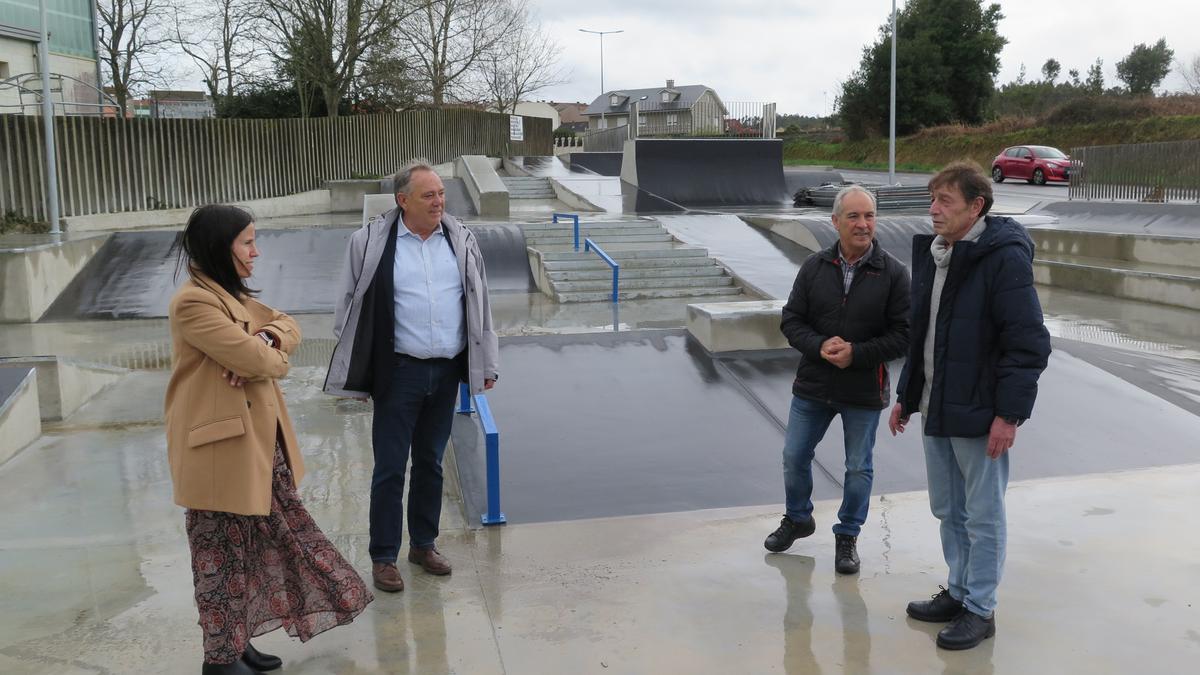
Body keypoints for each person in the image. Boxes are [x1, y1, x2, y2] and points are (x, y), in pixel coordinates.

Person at [165, 205, 372, 675]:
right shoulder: (194, 302)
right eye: (247, 243)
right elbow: (260, 363)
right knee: (218, 555)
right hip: (219, 452)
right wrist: (264, 353)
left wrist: (269, 341)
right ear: (222, 247)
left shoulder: (228, 295)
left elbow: (288, 327)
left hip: (256, 448)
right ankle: (218, 660)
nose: (256, 252)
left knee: (247, 551)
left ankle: (236, 645)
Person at [889, 161, 1051, 650]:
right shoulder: (939, 253)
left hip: (981, 413)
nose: (933, 211)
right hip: (938, 406)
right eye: (932, 200)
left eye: (945, 202)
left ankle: (981, 609)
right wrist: (907, 396)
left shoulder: (1002, 258)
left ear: (976, 206)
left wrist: (1009, 415)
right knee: (948, 509)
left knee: (982, 514)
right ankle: (959, 592)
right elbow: (925, 336)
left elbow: (1028, 343)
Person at [324, 159, 499, 594]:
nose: (439, 201)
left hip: (446, 371)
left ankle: (424, 544)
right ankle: (383, 556)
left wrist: (486, 362)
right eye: (429, 195)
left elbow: (481, 304)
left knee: (431, 464)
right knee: (389, 468)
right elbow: (347, 305)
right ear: (403, 201)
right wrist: (357, 370)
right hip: (397, 372)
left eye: (441, 194)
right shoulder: (369, 242)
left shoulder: (460, 239)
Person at [765, 185, 911, 574]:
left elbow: (904, 335)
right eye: (854, 216)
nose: (863, 224)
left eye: (869, 216)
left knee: (858, 468)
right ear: (835, 221)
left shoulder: (894, 274)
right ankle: (798, 518)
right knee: (794, 456)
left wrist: (857, 354)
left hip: (862, 389)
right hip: (813, 384)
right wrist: (818, 345)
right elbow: (791, 320)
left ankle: (847, 536)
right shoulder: (814, 267)